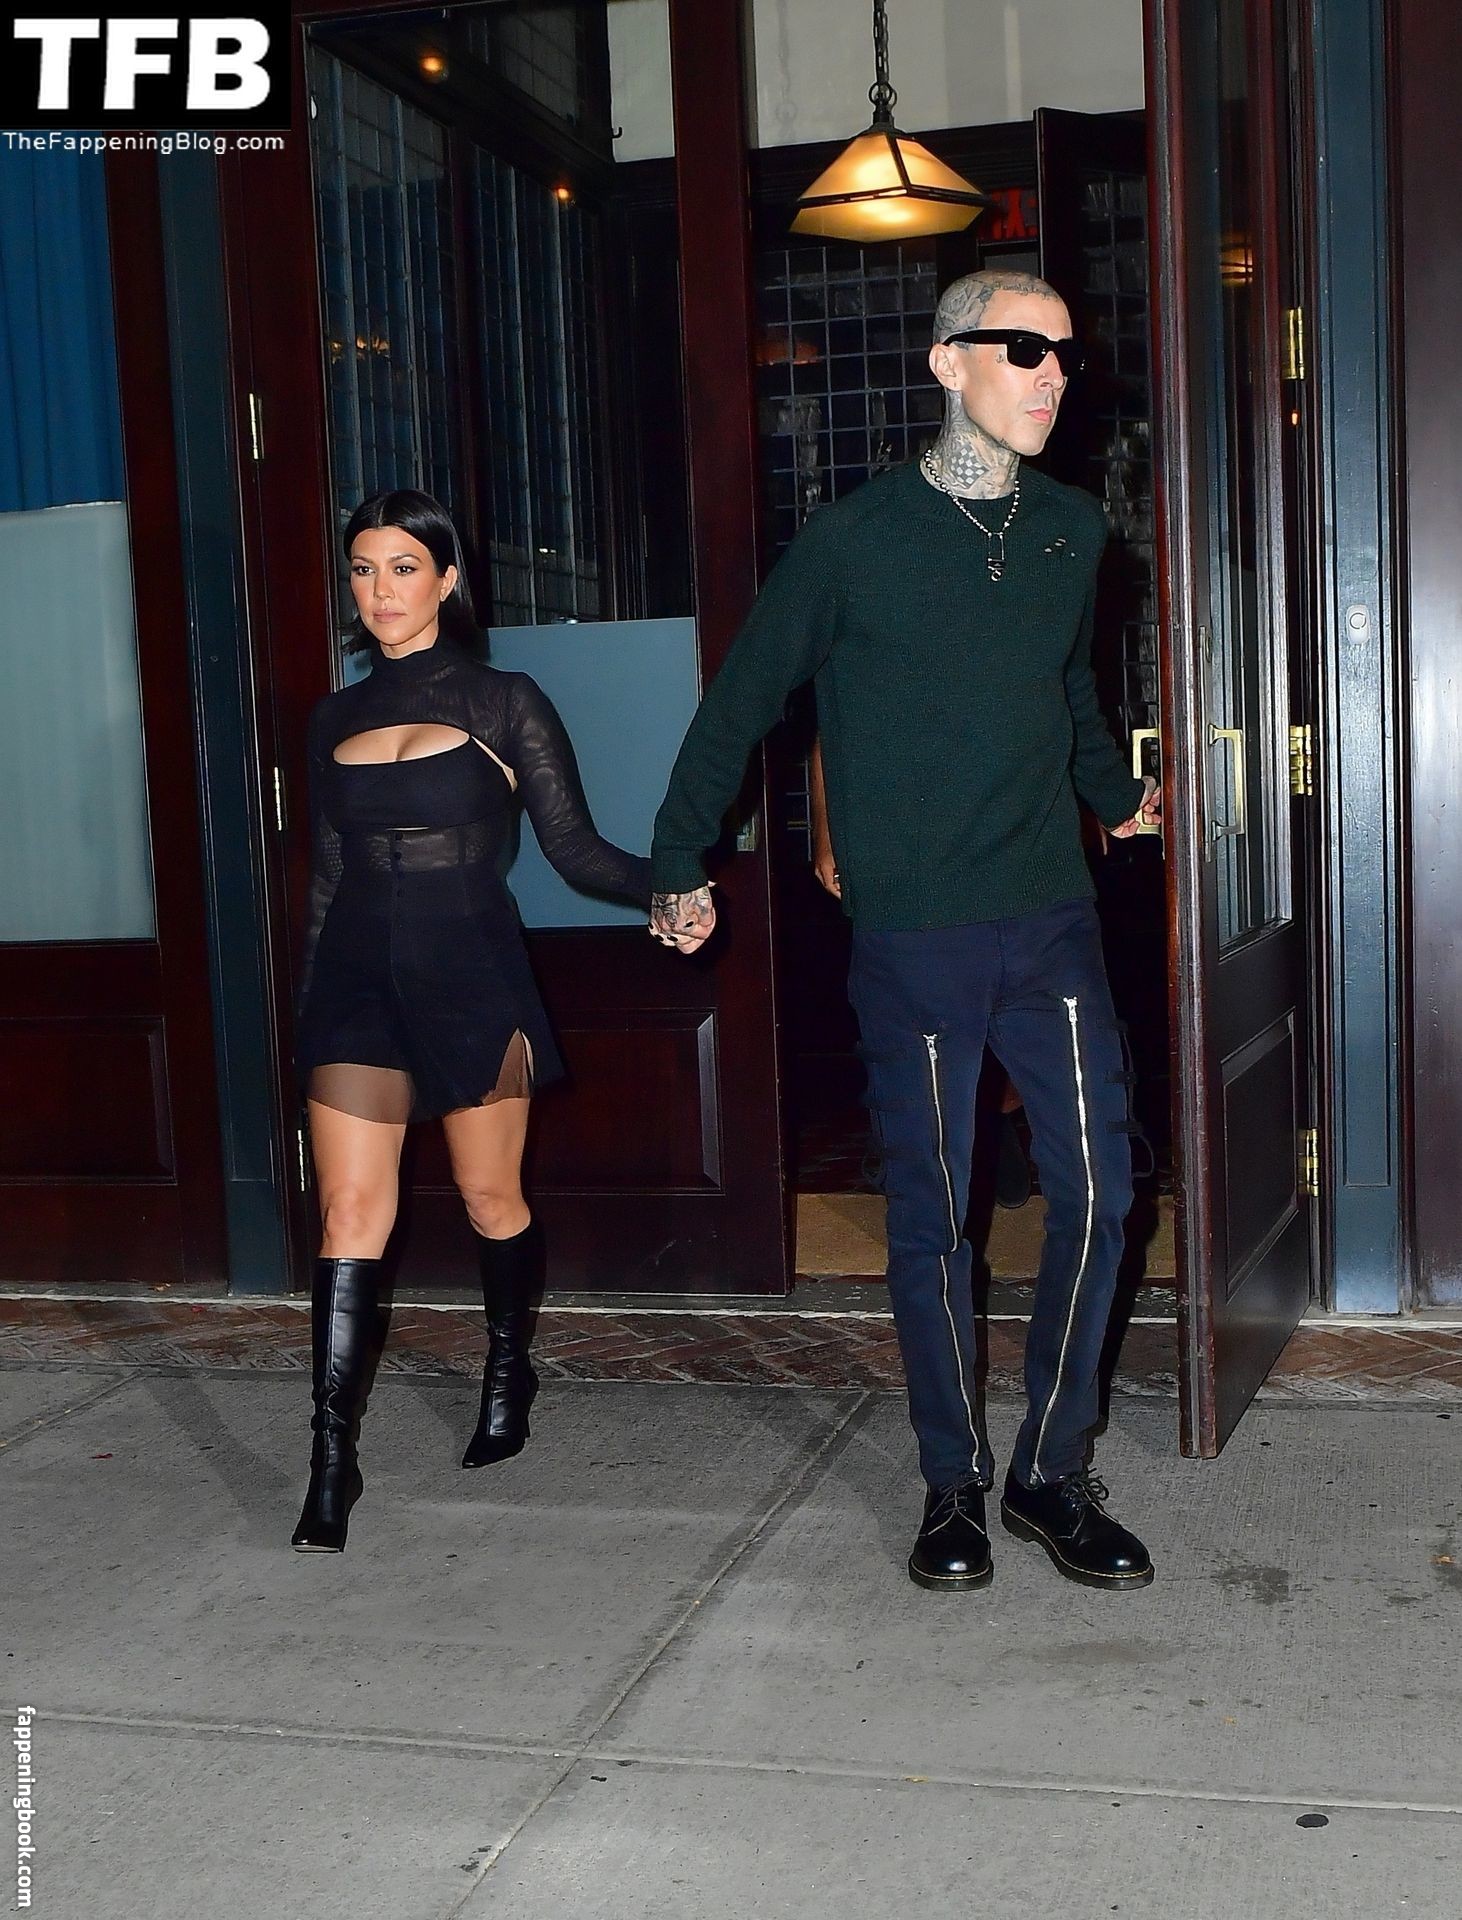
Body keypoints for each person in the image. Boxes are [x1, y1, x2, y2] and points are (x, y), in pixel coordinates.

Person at [649, 271, 1162, 1594]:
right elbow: (744, 702)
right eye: (1023, 349)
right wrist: (678, 855)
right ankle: (953, 1482)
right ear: (947, 362)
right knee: (933, 1220)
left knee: (1102, 1192)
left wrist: (1115, 795)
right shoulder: (853, 539)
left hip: (1049, 915)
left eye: (1065, 354)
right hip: (916, 934)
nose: (1053, 375)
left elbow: (1066, 688)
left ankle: (1050, 1470)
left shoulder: (1069, 529)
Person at [292, 489, 650, 1552]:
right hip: (355, 982)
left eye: (403, 567)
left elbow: (576, 850)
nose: (381, 591)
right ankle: (330, 1460)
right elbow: (326, 879)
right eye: (364, 570)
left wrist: (673, 884)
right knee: (349, 1214)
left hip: (472, 975)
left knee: (491, 1198)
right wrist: (310, 1008)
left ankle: (507, 1366)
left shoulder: (504, 701)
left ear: (447, 580)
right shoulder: (333, 717)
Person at [810, 735, 1036, 1211]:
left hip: (994, 837)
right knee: (897, 1002)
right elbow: (829, 736)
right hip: (891, 848)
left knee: (1004, 992)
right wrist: (826, 834)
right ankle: (897, 1134)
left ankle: (995, 1118)